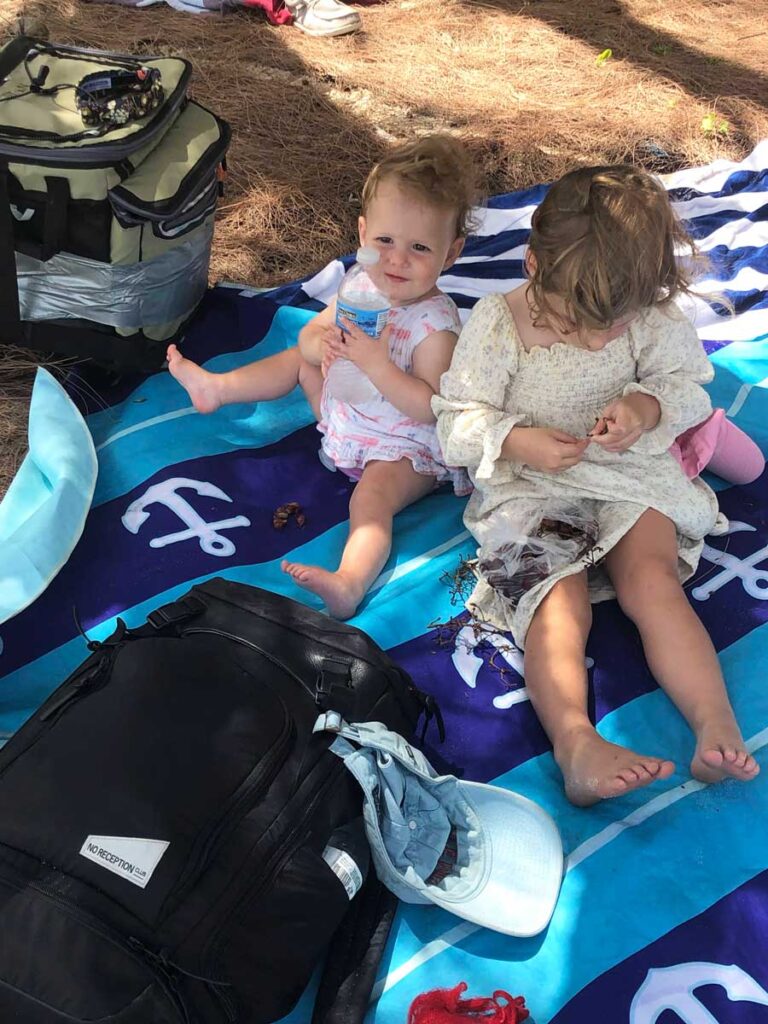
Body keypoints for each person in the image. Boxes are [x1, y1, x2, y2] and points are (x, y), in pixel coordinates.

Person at [433, 164, 761, 807]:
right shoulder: (498, 327)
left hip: (627, 469)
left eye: (609, 327)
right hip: (527, 482)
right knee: (555, 599)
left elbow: (685, 386)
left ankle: (714, 722)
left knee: (653, 581)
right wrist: (517, 439)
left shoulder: (649, 315)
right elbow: (454, 421)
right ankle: (576, 742)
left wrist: (645, 409)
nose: (592, 339)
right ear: (532, 267)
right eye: (569, 322)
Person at [168, 134, 474, 617]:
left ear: (451, 253)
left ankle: (350, 582)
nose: (397, 260)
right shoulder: (359, 285)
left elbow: (431, 408)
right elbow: (310, 335)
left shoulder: (434, 325)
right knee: (298, 360)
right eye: (386, 241)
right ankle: (216, 388)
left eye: (419, 248)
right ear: (362, 233)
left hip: (404, 449)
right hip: (349, 417)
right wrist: (323, 345)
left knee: (371, 498)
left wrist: (375, 362)